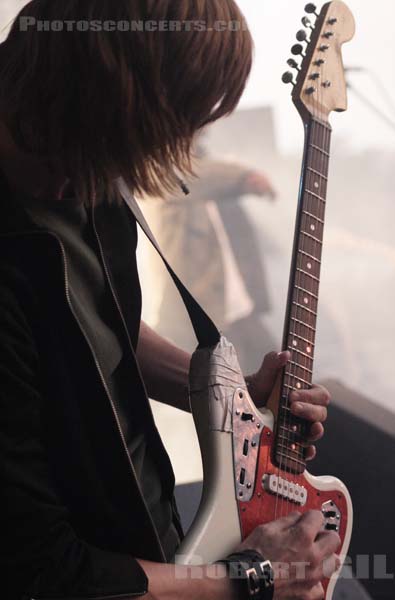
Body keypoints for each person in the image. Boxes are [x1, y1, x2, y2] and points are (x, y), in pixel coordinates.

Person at [0, 2, 337, 600]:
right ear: (105, 102)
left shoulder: (86, 168)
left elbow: (102, 325)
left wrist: (228, 398)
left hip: (155, 539)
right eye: (166, 127)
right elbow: (44, 572)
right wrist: (251, 576)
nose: (169, 148)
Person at [147, 148, 278, 372]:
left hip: (241, 311)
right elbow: (191, 175)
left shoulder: (216, 186)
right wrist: (244, 176)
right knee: (232, 397)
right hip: (206, 318)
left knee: (281, 378)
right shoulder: (160, 175)